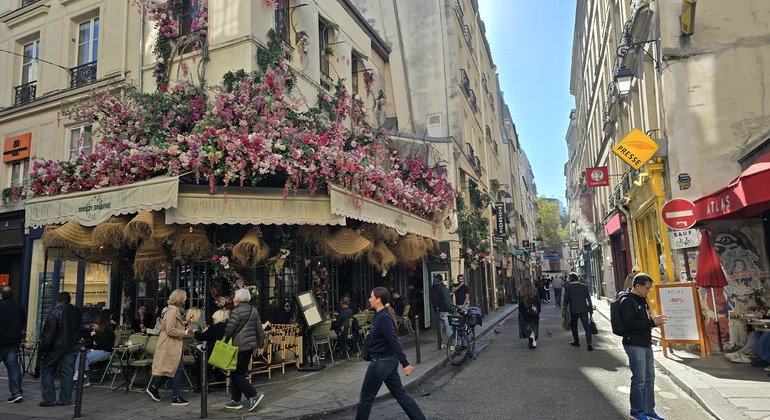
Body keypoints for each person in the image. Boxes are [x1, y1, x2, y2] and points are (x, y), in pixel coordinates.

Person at [355, 287, 426, 420]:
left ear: (378, 300)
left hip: (381, 362)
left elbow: (393, 341)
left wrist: (404, 362)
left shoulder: (383, 317)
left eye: (371, 297)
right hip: (388, 361)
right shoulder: (382, 315)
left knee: (365, 399)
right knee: (401, 395)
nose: (369, 299)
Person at [620, 273, 668, 420]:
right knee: (639, 380)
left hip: (645, 343)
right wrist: (652, 322)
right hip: (634, 344)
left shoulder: (642, 299)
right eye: (647, 288)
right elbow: (630, 324)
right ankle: (636, 411)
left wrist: (652, 322)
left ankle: (648, 409)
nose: (648, 291)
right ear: (637, 286)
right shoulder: (627, 301)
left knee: (649, 378)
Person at [223, 288, 265, 412]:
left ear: (238, 299)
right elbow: (259, 330)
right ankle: (235, 400)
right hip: (250, 346)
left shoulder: (236, 312)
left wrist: (225, 339)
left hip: (239, 346)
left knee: (237, 374)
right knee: (239, 372)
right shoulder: (254, 310)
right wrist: (260, 345)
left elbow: (229, 331)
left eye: (235, 297)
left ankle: (253, 395)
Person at [147, 289, 190, 406]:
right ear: (180, 299)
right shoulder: (172, 312)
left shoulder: (173, 310)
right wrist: (184, 333)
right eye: (184, 297)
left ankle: (154, 387)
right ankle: (176, 397)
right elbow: (170, 330)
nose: (186, 299)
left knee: (172, 368)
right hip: (170, 344)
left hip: (172, 344)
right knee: (177, 367)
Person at [39, 291, 82, 407]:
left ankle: (49, 398)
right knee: (67, 372)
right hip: (72, 345)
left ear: (58, 300)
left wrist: (44, 349)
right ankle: (65, 399)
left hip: (56, 346)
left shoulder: (56, 312)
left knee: (46, 369)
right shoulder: (76, 311)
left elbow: (48, 334)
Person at [73, 312, 115, 387]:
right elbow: (93, 341)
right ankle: (80, 375)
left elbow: (100, 343)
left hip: (104, 350)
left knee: (84, 358)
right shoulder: (99, 331)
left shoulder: (108, 331)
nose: (93, 327)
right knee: (81, 353)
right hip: (97, 349)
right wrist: (86, 340)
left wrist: (94, 337)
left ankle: (82, 377)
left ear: (99, 324)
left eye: (94, 325)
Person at [0, 286, 25, 403]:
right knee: (13, 367)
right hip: (14, 341)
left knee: (13, 367)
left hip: (1, 341)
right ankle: (16, 392)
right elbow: (23, 322)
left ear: (1, 295)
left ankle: (16, 393)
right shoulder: (18, 307)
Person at [193, 309, 228, 387]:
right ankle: (220, 382)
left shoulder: (215, 328)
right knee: (218, 366)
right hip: (225, 355)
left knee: (199, 361)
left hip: (213, 355)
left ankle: (201, 386)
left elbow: (202, 337)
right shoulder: (228, 326)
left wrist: (195, 331)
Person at [563, 272, 594, 351]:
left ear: (571, 278)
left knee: (574, 326)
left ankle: (576, 341)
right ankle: (589, 343)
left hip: (573, 310)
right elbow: (588, 299)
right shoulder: (584, 286)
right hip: (584, 309)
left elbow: (566, 299)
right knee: (586, 326)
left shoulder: (568, 287)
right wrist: (590, 309)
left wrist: (565, 306)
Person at [429, 274, 453, 343]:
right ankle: (452, 343)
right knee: (449, 327)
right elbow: (447, 301)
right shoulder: (443, 288)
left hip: (437, 310)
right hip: (445, 310)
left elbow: (431, 299)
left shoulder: (432, 289)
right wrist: (452, 309)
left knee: (440, 328)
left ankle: (441, 343)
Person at [517, 279, 541, 349]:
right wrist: (538, 310)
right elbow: (538, 301)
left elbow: (520, 304)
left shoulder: (521, 292)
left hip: (525, 312)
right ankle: (533, 341)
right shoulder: (535, 291)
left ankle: (530, 336)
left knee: (527, 325)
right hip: (534, 311)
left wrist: (520, 312)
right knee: (535, 325)